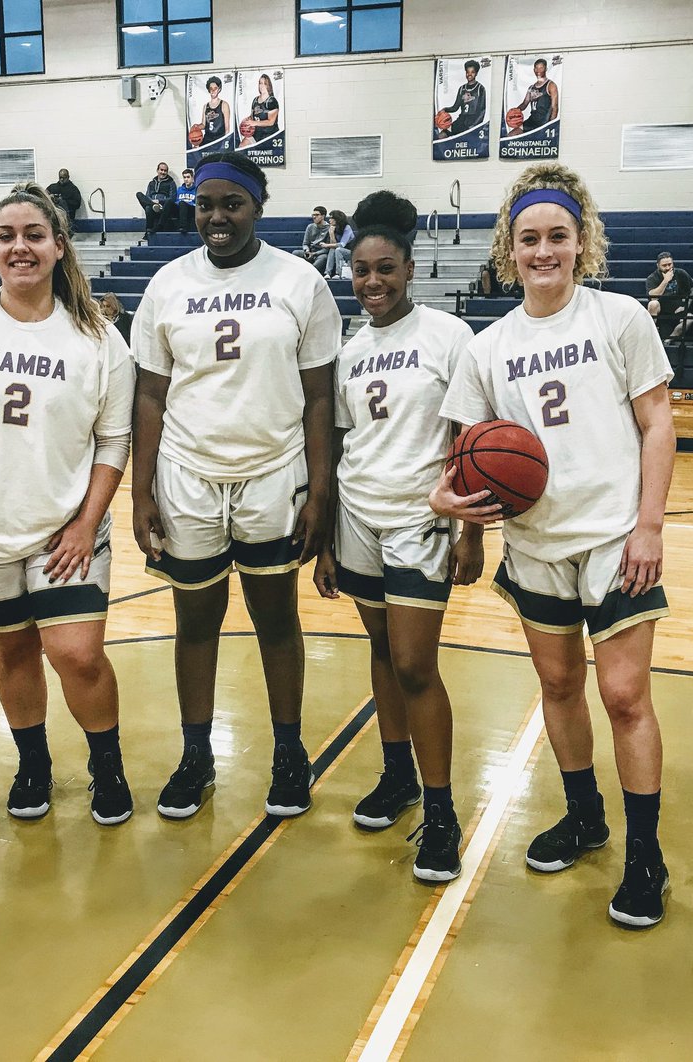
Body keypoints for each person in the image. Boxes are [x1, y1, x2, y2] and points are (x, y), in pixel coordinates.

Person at [432, 163, 676, 928]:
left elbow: (658, 424)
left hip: (614, 538)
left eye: (558, 237)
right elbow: (465, 454)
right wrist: (447, 502)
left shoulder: (620, 319)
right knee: (560, 686)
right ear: (510, 249)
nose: (544, 251)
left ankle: (646, 857)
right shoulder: (487, 347)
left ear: (581, 243)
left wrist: (650, 525)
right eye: (529, 238)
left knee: (625, 696)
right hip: (536, 545)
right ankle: (584, 815)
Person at [0, 183, 136, 827]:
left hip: (63, 529)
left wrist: (86, 524)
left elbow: (113, 440)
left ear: (59, 246)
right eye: (6, 235)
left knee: (77, 655)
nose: (20, 247)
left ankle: (107, 766)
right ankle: (33, 764)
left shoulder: (99, 338)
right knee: (11, 652)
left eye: (34, 235)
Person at [131, 151, 340, 821]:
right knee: (195, 623)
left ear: (257, 207)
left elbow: (320, 398)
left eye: (232, 204)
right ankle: (196, 755)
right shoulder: (167, 283)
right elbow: (150, 395)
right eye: (205, 205)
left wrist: (321, 492)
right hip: (187, 473)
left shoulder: (300, 281)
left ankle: (289, 753)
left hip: (273, 472)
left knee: (276, 619)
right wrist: (140, 492)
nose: (216, 217)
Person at [313, 190, 480, 883]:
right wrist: (327, 539)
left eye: (385, 269)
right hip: (359, 514)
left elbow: (469, 437)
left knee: (415, 664)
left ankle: (441, 812)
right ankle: (397, 775)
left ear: (410, 269)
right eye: (361, 270)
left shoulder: (449, 336)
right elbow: (339, 444)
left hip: (421, 518)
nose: (372, 281)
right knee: (381, 650)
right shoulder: (350, 352)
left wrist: (470, 532)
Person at [646, 251, 693, 338]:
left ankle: (670, 339)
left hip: (680, 309)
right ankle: (652, 335)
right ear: (658, 265)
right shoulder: (652, 278)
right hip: (663, 311)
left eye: (670, 264)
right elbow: (653, 297)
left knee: (690, 318)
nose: (668, 268)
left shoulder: (681, 273)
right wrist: (665, 281)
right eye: (664, 265)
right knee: (652, 304)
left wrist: (686, 306)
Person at [439, 60, 488, 136]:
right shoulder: (462, 89)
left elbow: (482, 111)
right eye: (467, 72)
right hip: (461, 120)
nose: (469, 74)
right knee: (442, 134)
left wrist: (474, 126)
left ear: (476, 73)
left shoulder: (480, 88)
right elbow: (455, 107)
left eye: (472, 72)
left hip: (472, 121)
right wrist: (445, 109)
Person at [136, 162, 176, 241]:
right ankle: (153, 206)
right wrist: (153, 203)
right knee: (139, 194)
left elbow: (172, 198)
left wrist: (159, 201)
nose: (163, 172)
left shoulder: (171, 183)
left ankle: (147, 234)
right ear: (157, 170)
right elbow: (147, 196)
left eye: (165, 171)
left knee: (149, 208)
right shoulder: (151, 183)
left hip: (163, 207)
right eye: (161, 170)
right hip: (152, 206)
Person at [517, 58, 559, 131]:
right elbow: (524, 104)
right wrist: (516, 110)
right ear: (534, 70)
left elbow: (554, 107)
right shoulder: (531, 88)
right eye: (536, 68)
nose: (538, 70)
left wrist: (550, 126)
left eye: (541, 68)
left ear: (546, 69)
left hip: (543, 124)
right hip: (532, 122)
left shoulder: (551, 85)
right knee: (512, 135)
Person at [242, 73, 280, 145]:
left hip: (269, 135)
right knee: (242, 145)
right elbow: (252, 116)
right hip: (257, 134)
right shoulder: (255, 100)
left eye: (264, 83)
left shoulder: (271, 101)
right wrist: (247, 120)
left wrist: (255, 123)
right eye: (260, 83)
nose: (262, 86)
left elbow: (271, 122)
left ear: (268, 85)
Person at [322, 209, 354, 279]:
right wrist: (331, 233)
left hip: (351, 252)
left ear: (337, 219)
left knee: (338, 250)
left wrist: (326, 245)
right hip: (340, 251)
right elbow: (334, 244)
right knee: (333, 249)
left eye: (331, 218)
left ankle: (339, 273)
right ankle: (327, 273)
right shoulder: (333, 228)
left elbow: (342, 245)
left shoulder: (347, 228)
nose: (329, 220)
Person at [201, 75, 231, 148]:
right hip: (207, 140)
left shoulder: (224, 104)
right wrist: (197, 127)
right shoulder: (205, 106)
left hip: (219, 140)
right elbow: (203, 125)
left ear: (219, 89)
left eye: (215, 88)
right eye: (211, 88)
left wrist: (226, 141)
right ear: (208, 90)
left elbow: (227, 128)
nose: (213, 90)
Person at [301, 206, 329, 271]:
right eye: (313, 215)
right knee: (295, 253)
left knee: (323, 258)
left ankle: (309, 272)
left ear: (323, 216)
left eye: (317, 215)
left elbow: (327, 249)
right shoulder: (310, 227)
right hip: (310, 251)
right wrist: (307, 251)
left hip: (320, 253)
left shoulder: (328, 228)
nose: (314, 217)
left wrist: (315, 254)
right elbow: (305, 243)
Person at [174, 169, 196, 236]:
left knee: (182, 203)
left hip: (191, 209)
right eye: (184, 177)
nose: (186, 179)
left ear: (192, 178)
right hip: (181, 208)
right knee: (170, 202)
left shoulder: (197, 189)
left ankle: (183, 227)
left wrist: (186, 203)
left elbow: (197, 203)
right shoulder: (180, 189)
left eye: (188, 177)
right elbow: (177, 201)